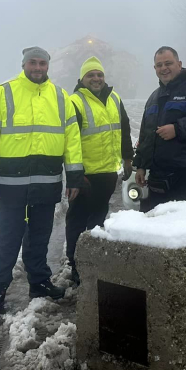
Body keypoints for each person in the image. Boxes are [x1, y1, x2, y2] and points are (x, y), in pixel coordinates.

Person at [0, 46, 85, 317]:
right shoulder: (2, 94)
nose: (37, 68)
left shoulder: (61, 97)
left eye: (42, 64)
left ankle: (39, 283)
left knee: (39, 238)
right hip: (9, 185)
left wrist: (74, 177)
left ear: (48, 66)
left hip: (46, 184)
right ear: (23, 64)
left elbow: (72, 140)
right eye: (33, 63)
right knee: (6, 239)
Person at [66, 56, 134, 285]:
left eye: (99, 75)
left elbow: (124, 129)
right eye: (90, 75)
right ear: (82, 79)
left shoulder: (114, 97)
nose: (96, 78)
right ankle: (75, 265)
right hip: (85, 175)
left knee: (98, 219)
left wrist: (127, 159)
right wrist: (75, 175)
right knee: (77, 220)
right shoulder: (74, 102)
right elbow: (69, 142)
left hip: (107, 174)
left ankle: (92, 261)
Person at [133, 46, 186, 212]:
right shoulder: (153, 98)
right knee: (159, 225)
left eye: (168, 63)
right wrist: (141, 166)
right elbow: (145, 135)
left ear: (179, 64)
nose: (163, 68)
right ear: (154, 69)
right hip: (158, 178)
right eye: (159, 65)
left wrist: (177, 129)